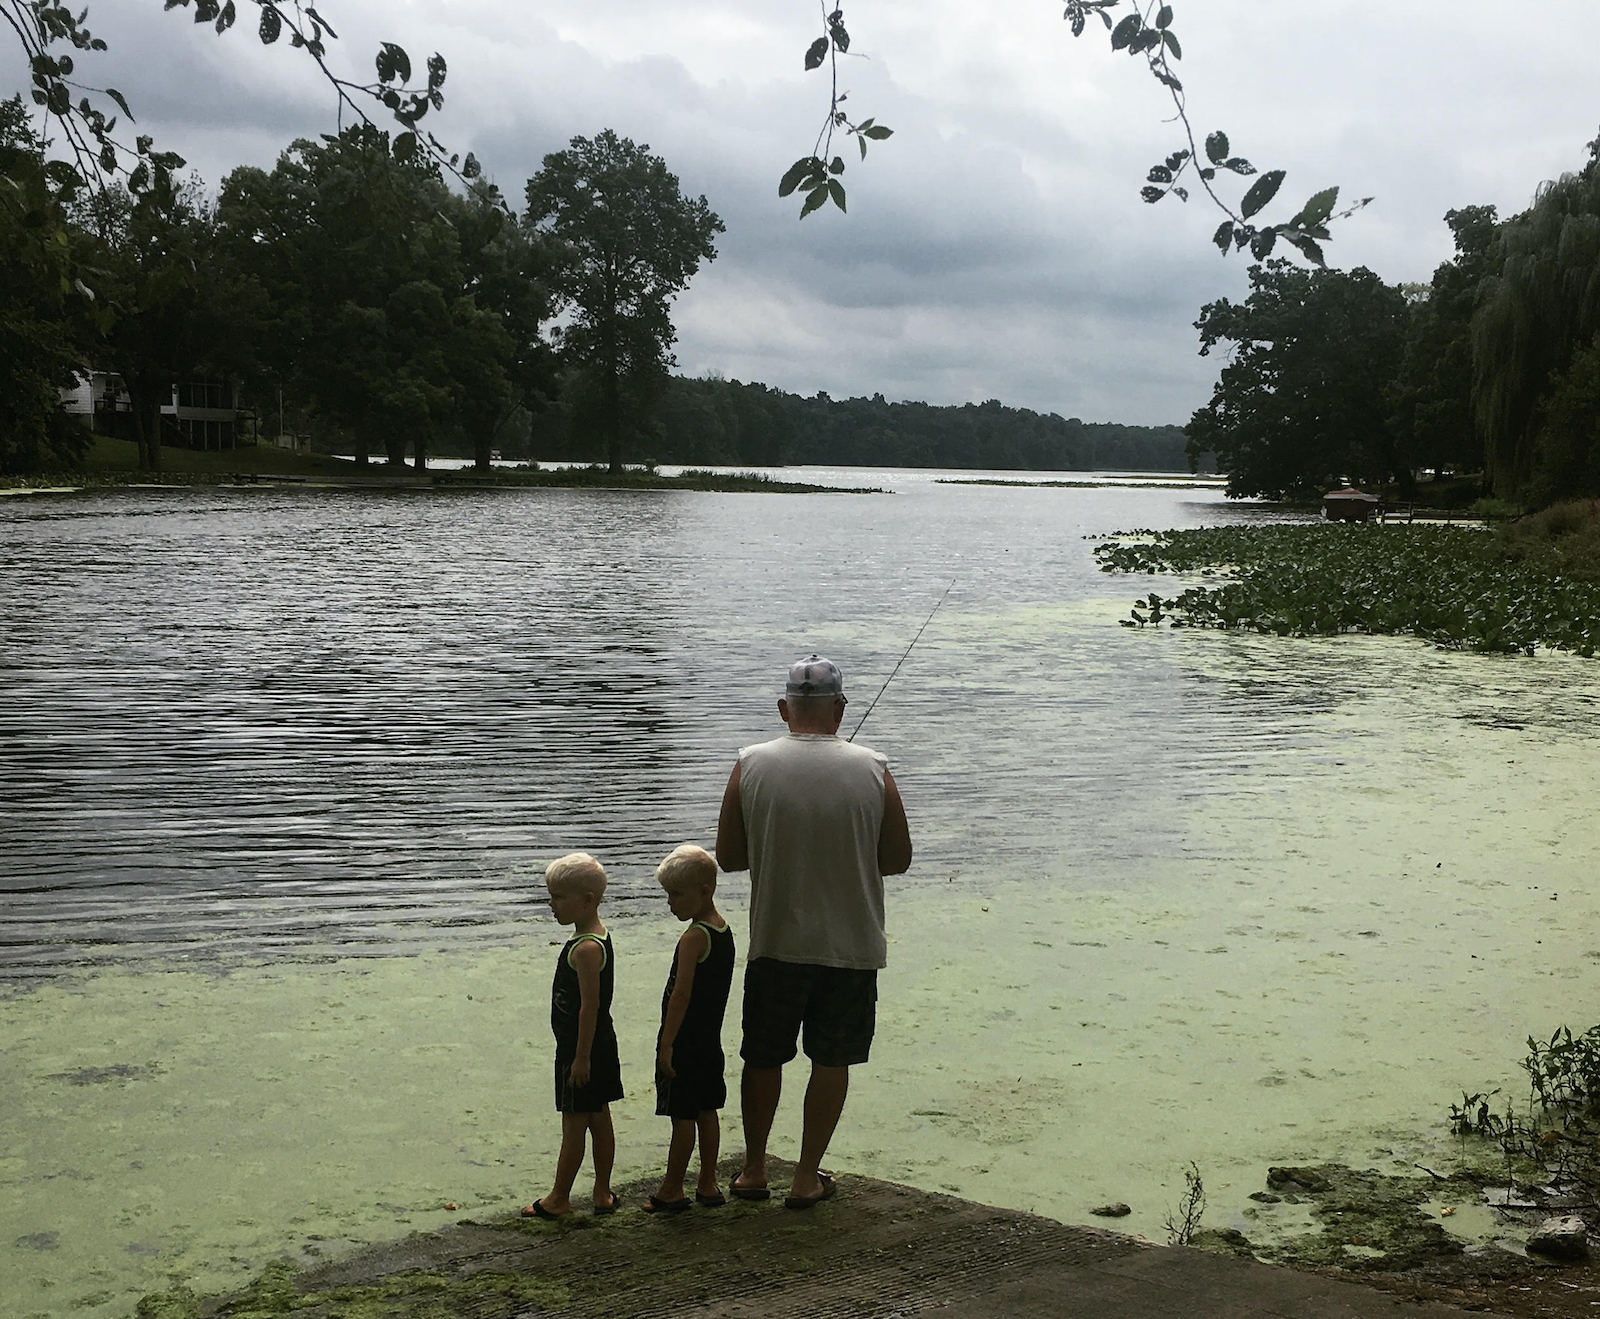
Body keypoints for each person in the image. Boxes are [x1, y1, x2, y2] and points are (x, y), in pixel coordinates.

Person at [715, 654, 913, 1209]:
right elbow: (897, 860)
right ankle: (805, 1176)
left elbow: (729, 858)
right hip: (849, 946)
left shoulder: (748, 764)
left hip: (775, 942)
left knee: (763, 1057)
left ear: (784, 708)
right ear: (840, 708)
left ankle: (753, 1169)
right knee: (832, 1059)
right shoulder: (874, 768)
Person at [523, 852, 624, 1219]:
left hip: (581, 1049)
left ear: (587, 900)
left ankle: (559, 1198)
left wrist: (580, 1058)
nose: (551, 905)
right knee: (599, 1118)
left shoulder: (584, 949)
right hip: (599, 1044)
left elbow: (589, 1007)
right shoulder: (595, 937)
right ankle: (601, 1192)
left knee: (574, 1124)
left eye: (559, 897)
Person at [644, 844, 736, 1214]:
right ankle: (707, 1183)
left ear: (705, 890)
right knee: (707, 1111)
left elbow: (680, 994)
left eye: (676, 894)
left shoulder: (694, 937)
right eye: (668, 894)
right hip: (710, 1042)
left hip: (684, 1042)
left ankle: (671, 1189)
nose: (670, 903)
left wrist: (667, 1043)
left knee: (682, 1117)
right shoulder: (723, 930)